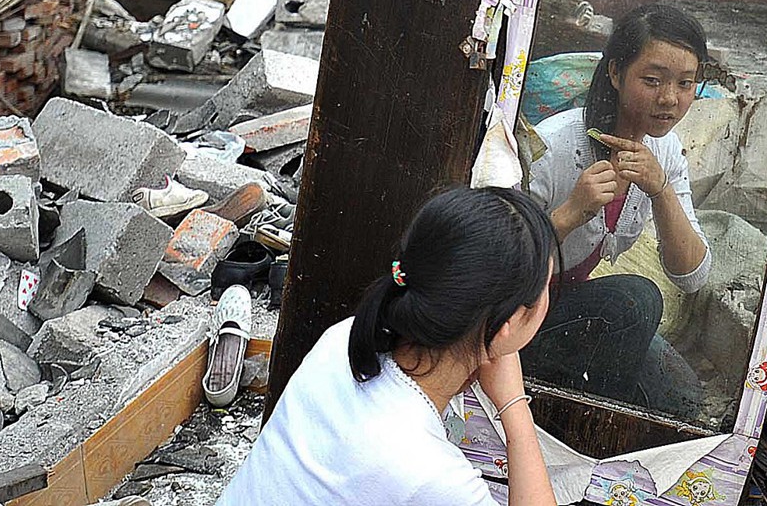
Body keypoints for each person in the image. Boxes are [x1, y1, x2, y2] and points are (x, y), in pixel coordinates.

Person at [217, 187, 559, 506]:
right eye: (545, 286)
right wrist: (514, 406)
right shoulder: (432, 475)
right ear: (507, 325)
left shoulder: (343, 339)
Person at [525, 3, 712, 418]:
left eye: (685, 83)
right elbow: (495, 267)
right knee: (633, 301)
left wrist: (660, 190)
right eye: (652, 80)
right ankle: (587, 425)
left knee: (682, 397)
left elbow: (692, 275)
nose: (670, 99)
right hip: (519, 316)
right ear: (615, 73)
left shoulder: (665, 151)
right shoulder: (552, 146)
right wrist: (571, 212)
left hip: (571, 307)